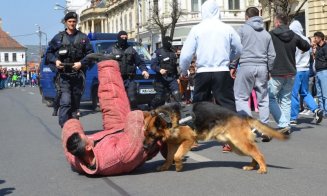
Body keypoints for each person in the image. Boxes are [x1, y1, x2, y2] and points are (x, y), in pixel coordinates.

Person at [62, 60, 161, 176]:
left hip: (115, 131)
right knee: (157, 124)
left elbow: (69, 131)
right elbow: (134, 140)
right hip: (140, 139)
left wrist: (72, 122)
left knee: (111, 96)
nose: (89, 137)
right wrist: (139, 115)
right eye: (87, 138)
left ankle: (106, 63)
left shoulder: (76, 155)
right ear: (88, 147)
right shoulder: (115, 158)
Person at [179, 0, 242, 152]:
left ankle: (193, 139)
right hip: (222, 70)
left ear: (203, 11)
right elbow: (239, 49)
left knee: (198, 105)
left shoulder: (197, 29)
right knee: (227, 104)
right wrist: (230, 57)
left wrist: (184, 70)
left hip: (203, 71)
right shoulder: (227, 28)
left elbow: (186, 54)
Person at [230, 7, 276, 142]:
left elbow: (236, 50)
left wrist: (233, 65)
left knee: (241, 97)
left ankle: (248, 127)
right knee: (263, 98)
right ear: (259, 16)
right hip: (262, 67)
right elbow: (272, 55)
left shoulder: (242, 30)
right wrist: (269, 69)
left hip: (246, 66)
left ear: (246, 17)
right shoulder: (266, 34)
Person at [46, 12, 93, 127]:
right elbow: (49, 53)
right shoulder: (58, 38)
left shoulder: (83, 38)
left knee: (75, 103)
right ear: (66, 23)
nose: (72, 23)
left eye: (74, 21)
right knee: (66, 101)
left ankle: (73, 126)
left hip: (78, 75)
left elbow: (91, 54)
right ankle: (64, 126)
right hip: (63, 75)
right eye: (70, 21)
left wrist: (81, 63)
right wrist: (55, 61)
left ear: (76, 22)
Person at [268, 14, 310, 135]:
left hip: (276, 72)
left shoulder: (271, 34)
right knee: (286, 99)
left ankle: (283, 123)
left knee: (270, 98)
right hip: (291, 71)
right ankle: (285, 126)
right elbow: (306, 46)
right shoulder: (294, 35)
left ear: (277, 23)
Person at [289, 21, 323, 125]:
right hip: (306, 69)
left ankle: (293, 118)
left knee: (294, 94)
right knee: (305, 92)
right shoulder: (305, 39)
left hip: (296, 69)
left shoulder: (292, 39)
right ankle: (316, 109)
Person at [109, 31, 149, 110]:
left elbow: (140, 62)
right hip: (117, 80)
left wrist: (144, 70)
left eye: (125, 38)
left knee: (132, 99)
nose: (124, 39)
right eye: (122, 38)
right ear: (118, 38)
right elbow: (107, 64)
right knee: (118, 101)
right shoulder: (112, 51)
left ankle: (132, 116)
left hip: (129, 79)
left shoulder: (131, 50)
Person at [150, 36, 181, 109]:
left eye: (171, 42)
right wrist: (159, 70)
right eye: (168, 42)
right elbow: (153, 65)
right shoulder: (158, 52)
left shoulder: (173, 52)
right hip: (160, 79)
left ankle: (179, 113)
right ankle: (152, 109)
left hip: (172, 78)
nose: (170, 43)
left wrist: (177, 77)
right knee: (159, 99)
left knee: (177, 95)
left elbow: (175, 67)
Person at [313, 31, 327, 118]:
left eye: (316, 38)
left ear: (320, 38)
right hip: (317, 72)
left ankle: (326, 110)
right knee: (319, 93)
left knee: (325, 93)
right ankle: (322, 110)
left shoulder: (326, 47)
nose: (314, 39)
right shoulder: (317, 48)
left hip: (324, 71)